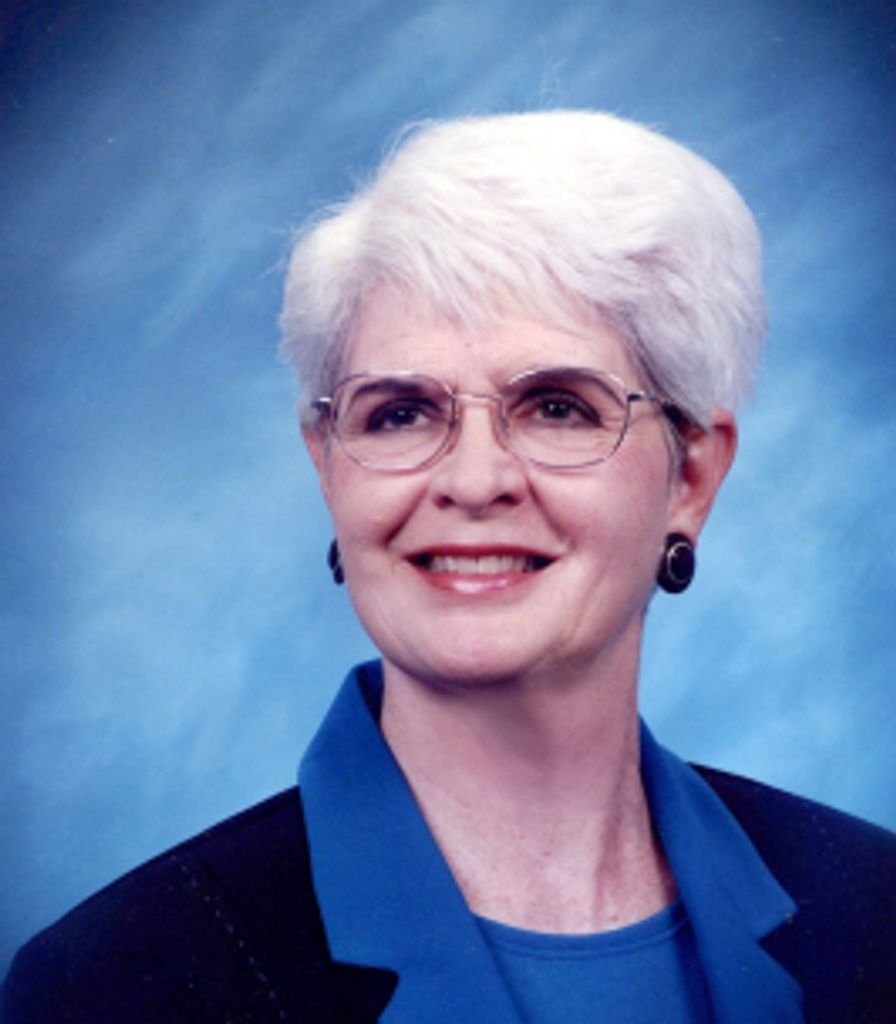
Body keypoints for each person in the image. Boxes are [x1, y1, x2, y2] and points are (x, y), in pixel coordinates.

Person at [4, 110, 895, 1024]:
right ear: (328, 467)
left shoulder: (878, 909)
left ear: (691, 478)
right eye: (400, 414)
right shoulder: (111, 985)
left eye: (557, 407)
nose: (473, 481)